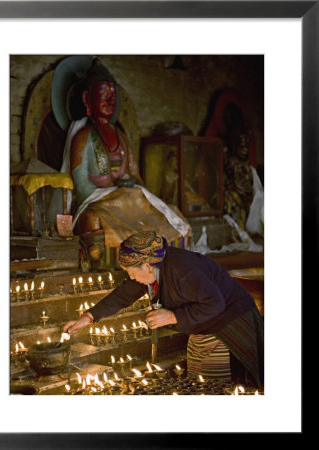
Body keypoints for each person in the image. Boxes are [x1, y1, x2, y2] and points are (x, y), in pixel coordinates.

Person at [64, 230, 264, 388]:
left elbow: (215, 303)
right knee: (199, 379)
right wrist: (88, 317)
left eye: (131, 272)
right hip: (204, 325)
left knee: (218, 385)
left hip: (228, 322)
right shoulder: (152, 268)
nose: (131, 277)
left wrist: (173, 316)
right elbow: (123, 294)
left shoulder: (183, 270)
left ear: (147, 266)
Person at [59, 59, 190, 261]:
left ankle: (163, 257)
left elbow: (135, 174)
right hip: (99, 203)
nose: (110, 101)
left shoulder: (120, 136)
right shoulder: (83, 137)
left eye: (113, 96)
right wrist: (114, 192)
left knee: (172, 214)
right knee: (92, 222)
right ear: (87, 100)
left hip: (128, 202)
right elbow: (81, 184)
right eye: (103, 95)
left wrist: (135, 189)